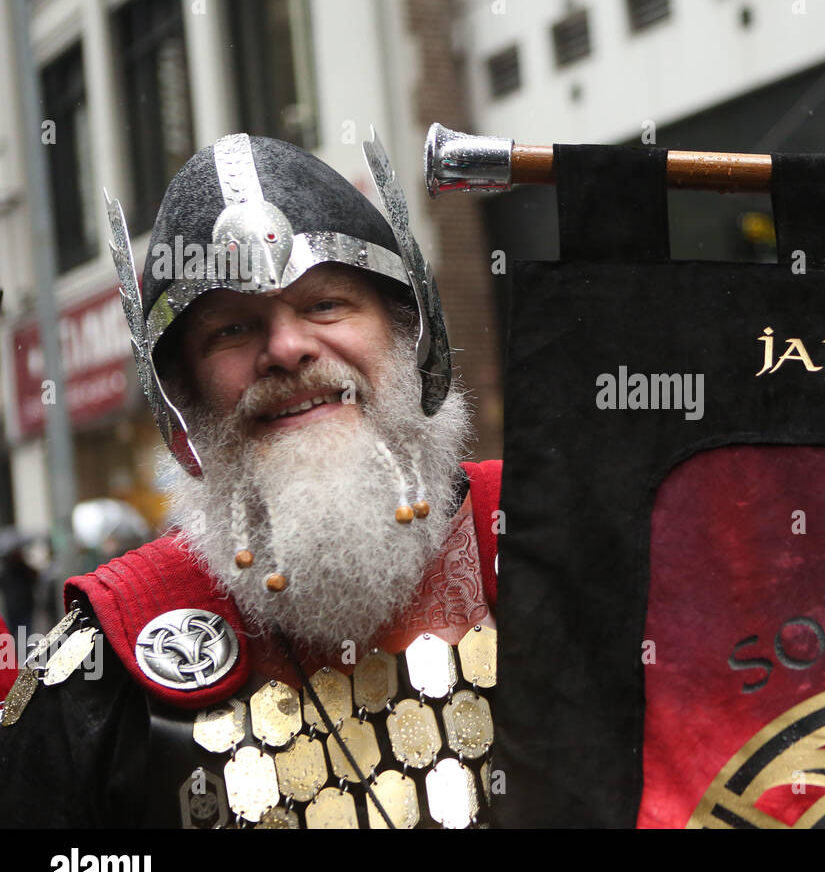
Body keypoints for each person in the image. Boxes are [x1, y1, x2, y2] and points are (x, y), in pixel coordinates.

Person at [0, 133, 501, 829]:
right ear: (184, 393)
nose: (287, 349)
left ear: (407, 331)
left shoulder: (544, 533)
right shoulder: (105, 661)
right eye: (233, 329)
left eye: (326, 303)